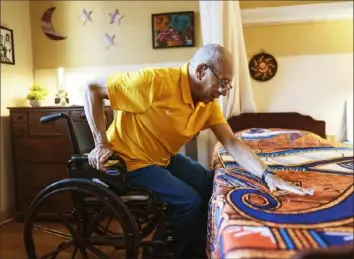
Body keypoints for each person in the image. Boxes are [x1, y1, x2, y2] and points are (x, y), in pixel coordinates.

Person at [83, 43, 314, 258]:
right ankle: (165, 252)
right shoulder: (154, 81)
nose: (223, 91)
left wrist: (267, 174)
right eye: (221, 82)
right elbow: (92, 88)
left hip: (162, 158)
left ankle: (198, 244)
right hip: (129, 161)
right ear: (201, 70)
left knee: (209, 182)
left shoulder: (208, 104)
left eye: (227, 85)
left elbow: (231, 142)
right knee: (189, 200)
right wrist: (101, 143)